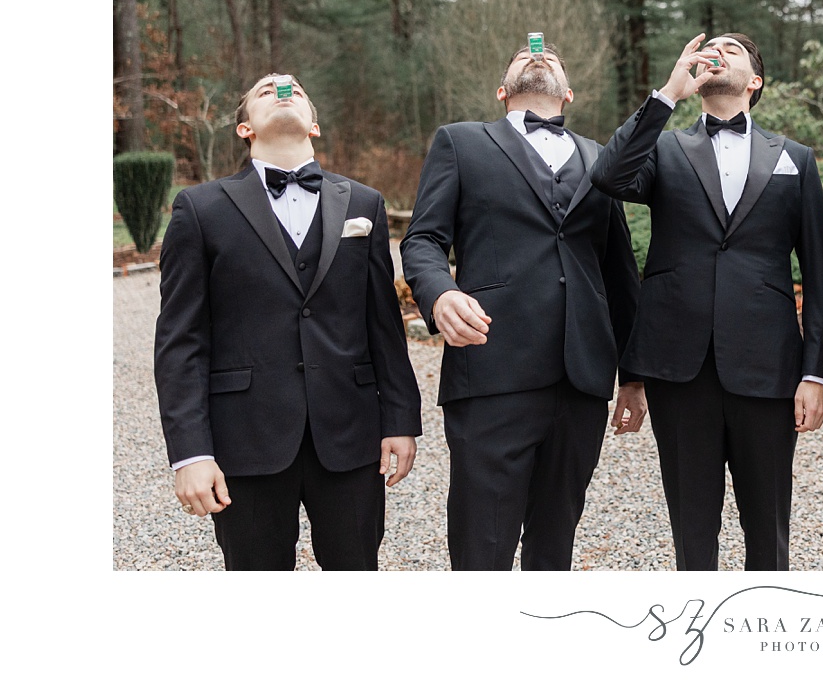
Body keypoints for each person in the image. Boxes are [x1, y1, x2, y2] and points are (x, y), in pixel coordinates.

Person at [154, 73, 422, 570]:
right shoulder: (200, 209)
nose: (282, 87)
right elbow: (180, 341)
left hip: (349, 434)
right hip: (244, 441)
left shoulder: (364, 204)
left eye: (297, 89)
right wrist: (190, 453)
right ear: (244, 129)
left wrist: (401, 420)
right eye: (264, 90)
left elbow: (384, 325)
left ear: (314, 126)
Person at [590, 32, 823, 570]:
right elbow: (609, 175)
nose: (717, 50)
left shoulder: (796, 158)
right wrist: (667, 95)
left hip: (768, 367)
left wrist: (816, 373)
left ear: (755, 80)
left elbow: (821, 274)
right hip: (679, 367)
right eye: (711, 44)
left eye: (734, 47)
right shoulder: (663, 147)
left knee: (769, 527)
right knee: (691, 529)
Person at [401, 42, 642, 571]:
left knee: (555, 542)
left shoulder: (601, 157)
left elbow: (619, 273)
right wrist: (440, 292)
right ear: (502, 90)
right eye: (524, 55)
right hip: (491, 368)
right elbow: (422, 241)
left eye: (554, 57)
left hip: (581, 379)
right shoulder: (461, 143)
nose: (539, 57)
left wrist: (634, 375)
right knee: (482, 542)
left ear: (570, 93)